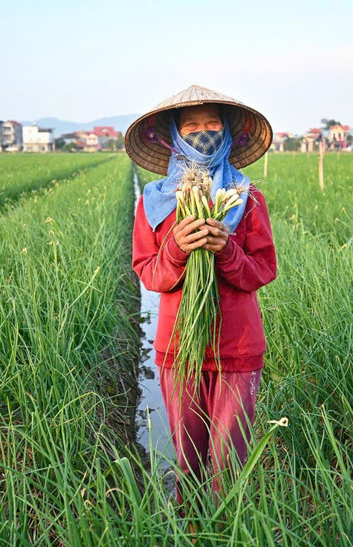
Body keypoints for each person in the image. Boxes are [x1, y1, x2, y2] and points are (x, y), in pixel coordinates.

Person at [126, 85, 277, 512]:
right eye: (191, 126)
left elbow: (263, 269)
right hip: (179, 348)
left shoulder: (246, 197)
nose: (202, 133)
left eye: (212, 124)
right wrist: (176, 247)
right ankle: (192, 531)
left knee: (229, 468)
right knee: (188, 465)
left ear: (227, 132)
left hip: (238, 348)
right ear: (175, 135)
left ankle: (229, 532)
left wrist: (226, 250)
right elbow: (149, 273)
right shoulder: (156, 202)